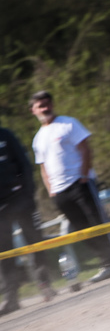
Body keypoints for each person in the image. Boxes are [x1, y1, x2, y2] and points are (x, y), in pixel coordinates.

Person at [29, 91, 110, 284]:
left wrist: (84, 176)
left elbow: (85, 149)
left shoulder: (68, 123)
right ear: (33, 110)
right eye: (40, 106)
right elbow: (43, 167)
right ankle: (105, 263)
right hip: (59, 191)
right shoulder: (38, 138)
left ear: (52, 104)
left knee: (97, 222)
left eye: (47, 103)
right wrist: (51, 190)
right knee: (81, 230)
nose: (45, 108)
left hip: (80, 183)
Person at [0, 122, 57, 314]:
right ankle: (11, 298)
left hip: (20, 200)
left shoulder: (5, 135)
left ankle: (45, 285)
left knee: (34, 242)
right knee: (4, 253)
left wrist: (28, 194)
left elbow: (24, 164)